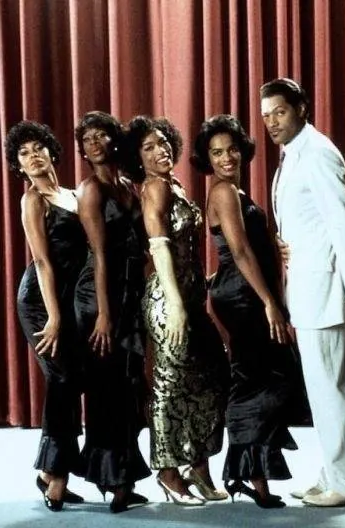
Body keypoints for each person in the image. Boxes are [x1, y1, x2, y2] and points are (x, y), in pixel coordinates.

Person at [259, 78, 345, 507]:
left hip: (326, 289)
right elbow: (307, 218)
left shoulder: (317, 153)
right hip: (309, 287)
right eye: (266, 116)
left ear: (301, 108)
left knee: (331, 389)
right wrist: (286, 241)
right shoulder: (295, 153)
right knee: (324, 389)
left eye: (279, 112)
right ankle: (338, 473)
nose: (272, 122)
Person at [190, 114, 307, 508]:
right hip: (245, 296)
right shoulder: (223, 191)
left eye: (232, 149)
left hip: (244, 290)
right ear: (207, 159)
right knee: (257, 379)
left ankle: (250, 475)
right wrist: (270, 302)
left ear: (242, 150)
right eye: (217, 152)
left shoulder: (234, 191)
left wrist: (276, 246)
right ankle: (253, 478)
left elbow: (246, 245)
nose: (226, 158)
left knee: (265, 376)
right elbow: (239, 252)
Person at [122, 115, 230, 506]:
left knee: (213, 377)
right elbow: (159, 246)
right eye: (149, 147)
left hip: (190, 298)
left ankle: (197, 465)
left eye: (163, 142)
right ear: (137, 157)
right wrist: (175, 304)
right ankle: (168, 474)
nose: (160, 150)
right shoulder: (153, 188)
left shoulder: (175, 184)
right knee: (169, 386)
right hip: (168, 301)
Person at [5, 120, 87, 512]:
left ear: (52, 151)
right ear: (18, 166)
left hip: (70, 300)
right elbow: (41, 261)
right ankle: (54, 476)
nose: (33, 156)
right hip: (40, 301)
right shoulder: (32, 201)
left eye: (38, 148)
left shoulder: (74, 195)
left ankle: (52, 470)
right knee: (62, 378)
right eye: (24, 153)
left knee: (72, 381)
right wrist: (53, 317)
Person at [73, 111, 151, 513]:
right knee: (108, 388)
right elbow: (100, 254)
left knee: (128, 386)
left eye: (100, 134)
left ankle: (124, 476)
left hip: (128, 290)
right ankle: (114, 479)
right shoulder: (90, 190)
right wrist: (104, 315)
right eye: (87, 139)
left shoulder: (125, 185)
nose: (94, 142)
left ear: (113, 140)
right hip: (99, 296)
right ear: (83, 151)